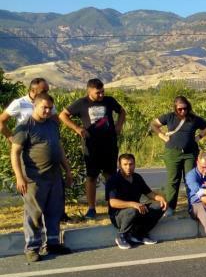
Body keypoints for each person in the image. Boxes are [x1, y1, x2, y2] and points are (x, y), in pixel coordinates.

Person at [10, 93, 73, 262]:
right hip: (34, 179)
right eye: (43, 107)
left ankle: (52, 244)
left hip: (54, 176)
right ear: (34, 107)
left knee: (54, 211)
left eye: (49, 108)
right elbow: (14, 153)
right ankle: (32, 248)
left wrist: (67, 170)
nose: (47, 111)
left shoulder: (52, 124)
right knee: (33, 214)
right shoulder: (25, 127)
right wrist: (19, 177)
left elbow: (59, 148)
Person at [1, 78, 70, 222]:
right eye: (43, 91)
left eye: (47, 90)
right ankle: (34, 237)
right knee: (33, 194)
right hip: (28, 152)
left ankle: (54, 228)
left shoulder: (48, 104)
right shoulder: (19, 103)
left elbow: (55, 120)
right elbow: (1, 121)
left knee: (53, 192)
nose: (46, 93)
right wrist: (11, 138)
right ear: (33, 91)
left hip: (47, 150)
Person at [60, 78, 126, 220]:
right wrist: (77, 128)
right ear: (89, 91)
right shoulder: (81, 103)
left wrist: (119, 126)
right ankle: (91, 208)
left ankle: (113, 205)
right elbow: (62, 115)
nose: (101, 95)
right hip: (91, 146)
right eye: (98, 93)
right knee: (91, 177)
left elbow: (122, 111)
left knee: (110, 175)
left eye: (103, 92)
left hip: (109, 144)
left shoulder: (109, 101)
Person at [150, 96, 206, 217]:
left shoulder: (194, 118)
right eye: (180, 109)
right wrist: (162, 136)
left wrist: (199, 137)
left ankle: (193, 206)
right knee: (173, 180)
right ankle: (170, 207)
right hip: (172, 153)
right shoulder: (169, 117)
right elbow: (154, 124)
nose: (183, 111)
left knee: (191, 180)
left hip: (190, 153)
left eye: (185, 108)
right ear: (175, 108)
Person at [105, 153, 168, 250]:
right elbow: (112, 202)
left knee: (159, 205)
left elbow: (149, 193)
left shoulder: (137, 177)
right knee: (132, 210)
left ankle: (139, 234)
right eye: (125, 164)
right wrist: (132, 204)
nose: (128, 167)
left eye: (131, 164)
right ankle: (121, 236)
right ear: (119, 165)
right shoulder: (113, 180)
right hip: (118, 216)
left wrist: (160, 198)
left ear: (134, 164)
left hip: (136, 211)